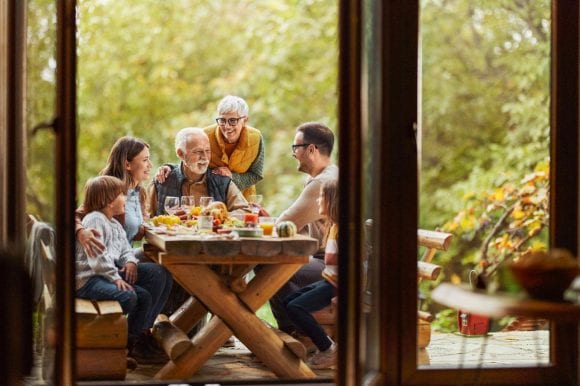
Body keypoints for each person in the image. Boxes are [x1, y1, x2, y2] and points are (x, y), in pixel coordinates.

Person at [148, 127, 251, 321]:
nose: (204, 157)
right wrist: (169, 222)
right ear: (180, 154)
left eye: (207, 151)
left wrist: (217, 216)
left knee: (233, 275)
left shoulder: (222, 181)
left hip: (215, 254)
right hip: (176, 256)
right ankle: (176, 327)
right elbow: (147, 217)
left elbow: (244, 211)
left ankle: (222, 327)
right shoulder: (162, 181)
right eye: (197, 152)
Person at [75, 176, 172, 365]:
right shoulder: (95, 220)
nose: (125, 198)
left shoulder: (113, 223)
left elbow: (125, 249)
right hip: (88, 279)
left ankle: (131, 343)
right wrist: (114, 278)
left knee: (161, 274)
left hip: (106, 273)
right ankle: (122, 343)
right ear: (107, 200)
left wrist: (131, 262)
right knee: (132, 297)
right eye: (121, 195)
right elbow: (97, 258)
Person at [266, 122, 339, 337]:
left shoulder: (323, 183)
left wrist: (267, 222)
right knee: (274, 266)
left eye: (295, 147)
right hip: (326, 260)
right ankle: (293, 331)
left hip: (331, 267)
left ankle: (294, 332)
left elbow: (284, 224)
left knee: (271, 267)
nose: (293, 154)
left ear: (311, 150)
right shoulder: (327, 175)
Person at [285, 179, 339, 369]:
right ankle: (314, 339)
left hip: (336, 285)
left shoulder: (345, 230)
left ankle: (328, 348)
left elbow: (358, 265)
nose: (317, 202)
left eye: (321, 197)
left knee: (295, 307)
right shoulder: (333, 227)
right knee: (288, 302)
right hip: (329, 280)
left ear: (332, 201)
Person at [203, 95, 264, 200]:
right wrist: (170, 168)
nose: (227, 126)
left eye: (232, 120)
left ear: (244, 120)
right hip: (211, 200)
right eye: (222, 120)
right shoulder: (204, 136)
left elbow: (256, 175)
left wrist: (232, 177)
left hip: (244, 201)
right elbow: (190, 165)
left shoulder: (256, 138)